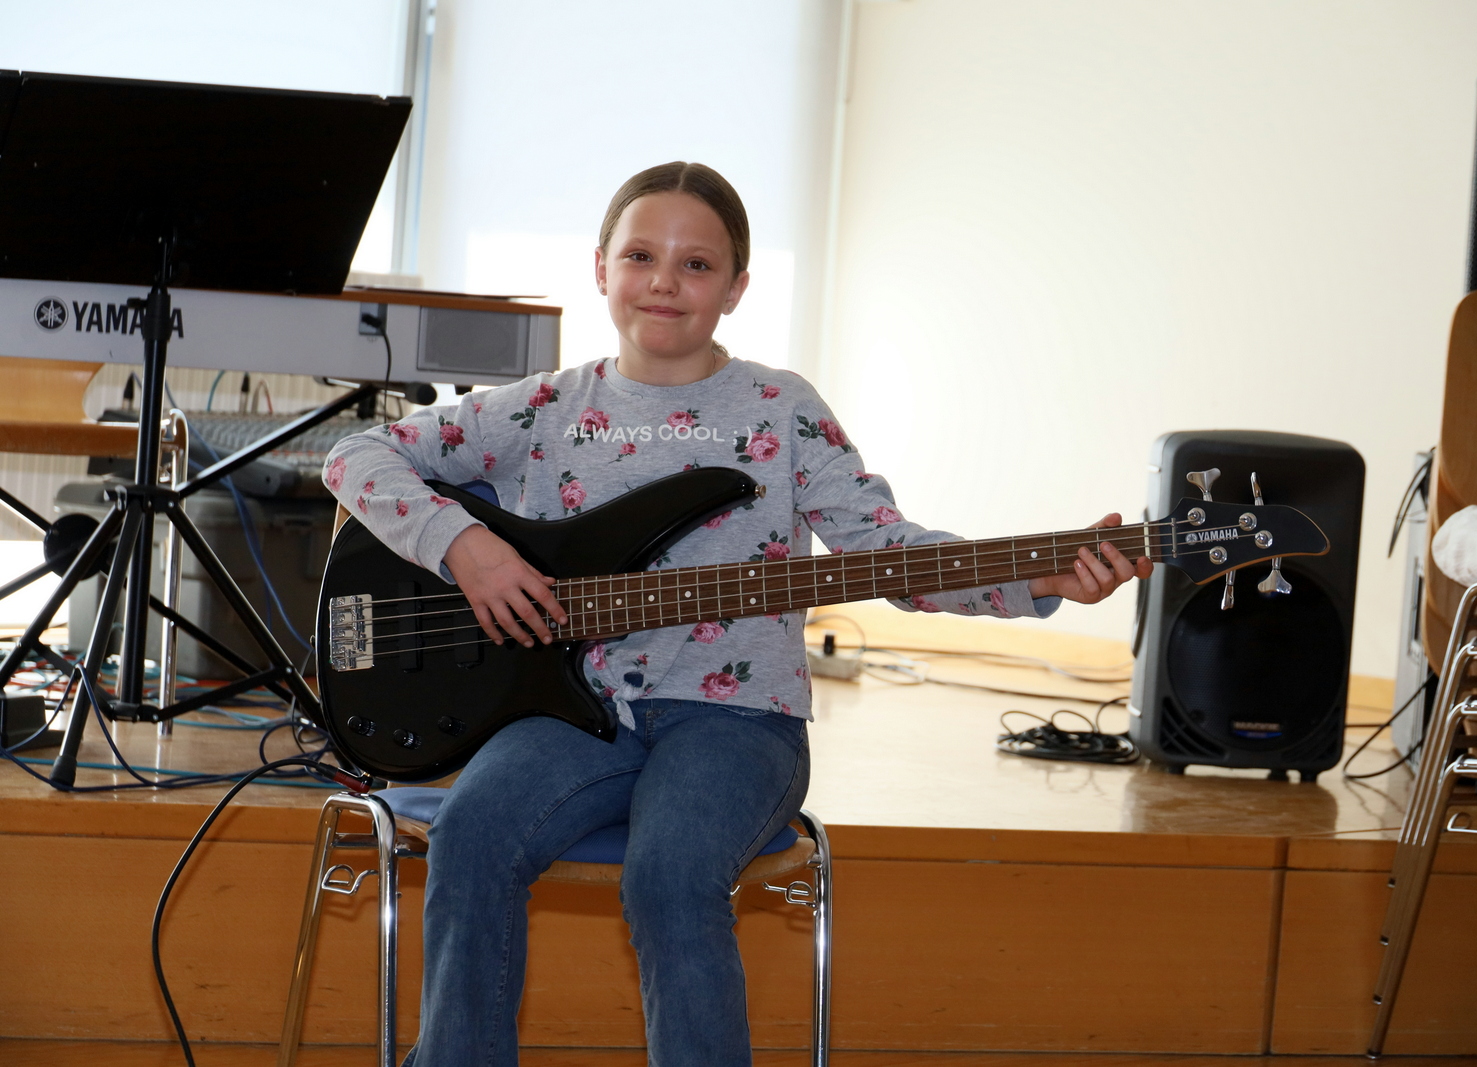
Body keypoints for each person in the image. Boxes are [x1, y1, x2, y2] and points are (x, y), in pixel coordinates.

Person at [322, 161, 1151, 1067]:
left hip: (739, 722)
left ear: (736, 288)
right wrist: (464, 546)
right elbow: (354, 456)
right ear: (600, 267)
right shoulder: (547, 406)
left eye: (697, 264)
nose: (664, 282)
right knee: (473, 834)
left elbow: (887, 550)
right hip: (570, 712)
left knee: (671, 873)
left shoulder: (780, 409)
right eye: (640, 256)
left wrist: (1040, 578)